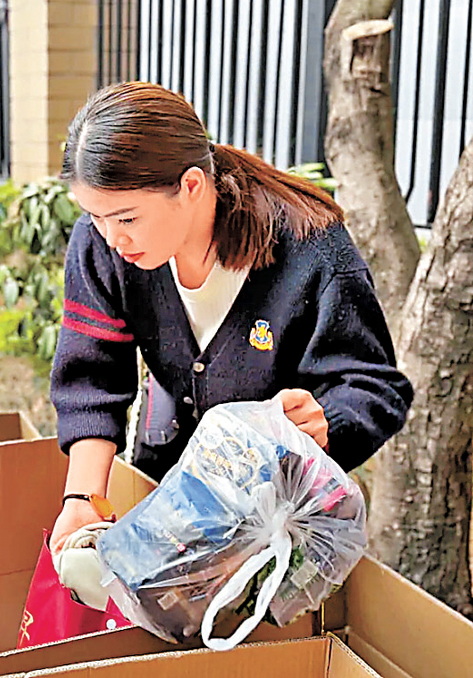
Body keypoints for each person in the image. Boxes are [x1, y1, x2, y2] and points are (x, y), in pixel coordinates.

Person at [49, 81, 413, 552]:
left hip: (276, 511)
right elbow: (92, 377)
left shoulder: (313, 252)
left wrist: (329, 420)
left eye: (127, 219)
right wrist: (82, 497)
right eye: (95, 217)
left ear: (192, 186)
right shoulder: (100, 244)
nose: (111, 238)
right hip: (166, 471)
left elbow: (374, 385)